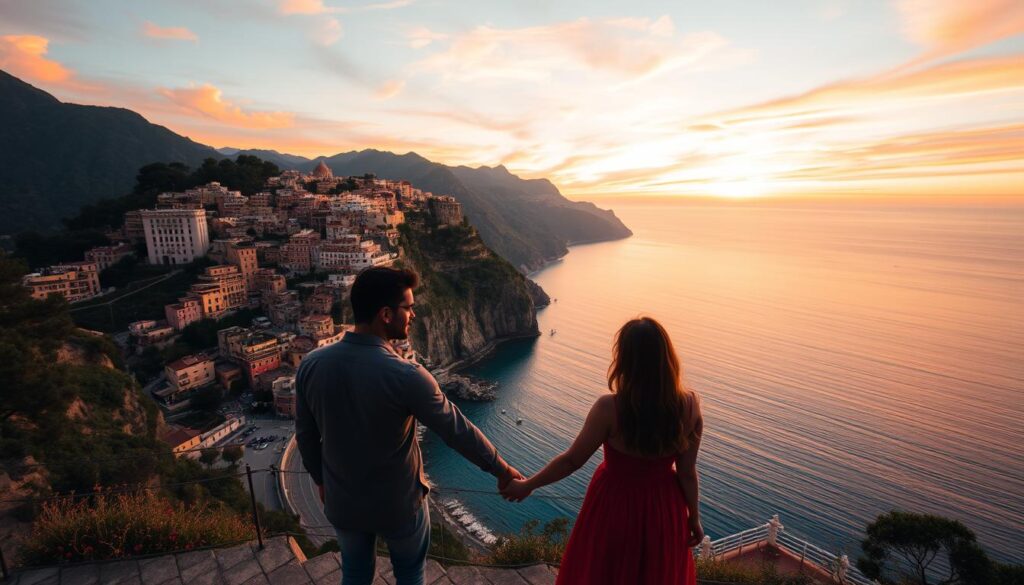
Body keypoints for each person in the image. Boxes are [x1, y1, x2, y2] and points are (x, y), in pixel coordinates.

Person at [296, 267, 522, 585]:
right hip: (399, 506)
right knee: (410, 575)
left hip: (343, 501)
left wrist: (321, 481)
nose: (413, 314)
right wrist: (502, 469)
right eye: (408, 307)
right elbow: (457, 431)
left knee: (355, 575)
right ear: (386, 314)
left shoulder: (310, 365)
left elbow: (306, 436)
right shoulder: (407, 376)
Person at [501, 317, 704, 585]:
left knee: (604, 572)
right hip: (665, 509)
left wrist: (529, 485)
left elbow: (572, 460)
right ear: (667, 357)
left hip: (614, 505)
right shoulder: (689, 406)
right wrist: (694, 518)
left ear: (625, 360)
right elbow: (687, 473)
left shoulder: (610, 408)